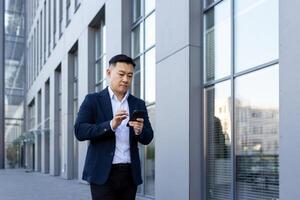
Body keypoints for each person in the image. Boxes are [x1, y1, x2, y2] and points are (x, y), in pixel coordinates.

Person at [74, 54, 154, 200]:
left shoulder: (138, 104)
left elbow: (148, 137)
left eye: (129, 76)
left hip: (129, 174)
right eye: (121, 74)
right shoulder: (93, 100)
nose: (125, 79)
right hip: (102, 174)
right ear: (109, 73)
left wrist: (140, 130)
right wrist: (111, 125)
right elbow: (79, 130)